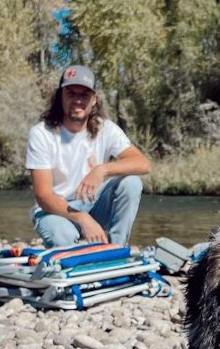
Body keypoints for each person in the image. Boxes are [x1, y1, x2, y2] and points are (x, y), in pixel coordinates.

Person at [26, 65, 151, 248]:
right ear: (60, 97)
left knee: (131, 182)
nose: (77, 100)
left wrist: (103, 169)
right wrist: (82, 218)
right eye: (71, 93)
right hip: (53, 211)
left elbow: (143, 164)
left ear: (94, 100)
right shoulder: (41, 134)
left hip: (92, 204)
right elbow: (43, 196)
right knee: (62, 239)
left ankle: (116, 249)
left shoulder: (105, 128)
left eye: (84, 95)